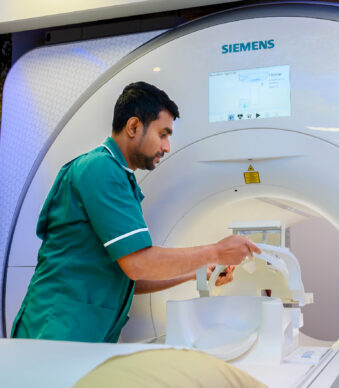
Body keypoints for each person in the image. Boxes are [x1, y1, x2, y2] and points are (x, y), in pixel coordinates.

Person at [11, 82, 260, 343]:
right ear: (133, 127)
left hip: (83, 331)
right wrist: (217, 251)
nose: (167, 147)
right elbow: (138, 264)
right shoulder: (99, 169)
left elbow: (129, 277)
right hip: (56, 330)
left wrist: (199, 272)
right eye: (163, 134)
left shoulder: (120, 178)